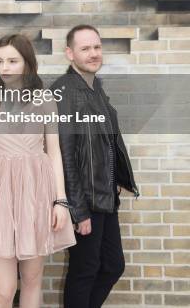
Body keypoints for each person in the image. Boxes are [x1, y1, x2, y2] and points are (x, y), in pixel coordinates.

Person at [0, 34, 76, 308]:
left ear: (27, 63)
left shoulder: (45, 100)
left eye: (13, 61)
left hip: (37, 191)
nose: (5, 67)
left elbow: (54, 152)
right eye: (0, 61)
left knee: (32, 279)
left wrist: (60, 200)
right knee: (5, 288)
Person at [51, 25, 139, 308]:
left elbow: (105, 143)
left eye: (97, 47)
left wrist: (117, 178)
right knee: (84, 271)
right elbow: (64, 155)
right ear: (70, 53)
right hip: (86, 202)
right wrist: (78, 209)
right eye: (85, 48)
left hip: (105, 197)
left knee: (112, 266)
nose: (93, 53)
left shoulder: (95, 88)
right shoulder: (64, 93)